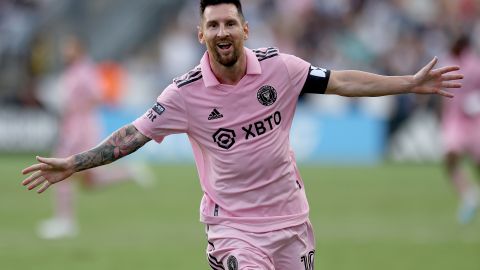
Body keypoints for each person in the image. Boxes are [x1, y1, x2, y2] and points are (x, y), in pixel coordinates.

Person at [22, 0, 462, 268]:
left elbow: (342, 81)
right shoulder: (183, 94)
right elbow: (133, 133)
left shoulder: (280, 68)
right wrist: (74, 163)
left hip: (292, 219)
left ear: (245, 29)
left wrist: (407, 83)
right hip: (233, 227)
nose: (222, 32)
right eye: (212, 26)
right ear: (201, 35)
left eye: (229, 23)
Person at [36, 35, 150, 240]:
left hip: (81, 127)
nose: (65, 51)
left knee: (59, 166)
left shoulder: (85, 71)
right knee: (90, 181)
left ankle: (65, 221)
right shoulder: (74, 70)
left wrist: (77, 107)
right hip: (75, 125)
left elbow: (98, 95)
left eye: (69, 47)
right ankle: (129, 173)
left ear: (78, 48)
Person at [442, 34, 480, 224]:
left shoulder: (474, 64)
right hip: (454, 119)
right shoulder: (448, 62)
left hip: (474, 119)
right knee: (450, 157)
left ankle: (472, 196)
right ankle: (469, 195)